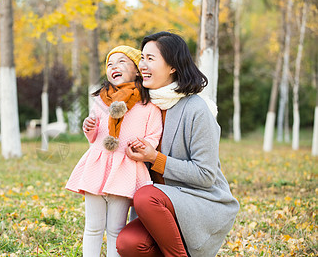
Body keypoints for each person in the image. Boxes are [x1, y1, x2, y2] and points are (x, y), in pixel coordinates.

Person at [116, 31, 240, 257]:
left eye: (150, 59)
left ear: (172, 66)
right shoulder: (142, 106)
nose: (142, 64)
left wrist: (154, 158)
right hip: (157, 209)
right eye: (142, 58)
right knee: (129, 243)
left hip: (198, 201)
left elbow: (205, 175)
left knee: (146, 195)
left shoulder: (197, 109)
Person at [66, 45, 163, 257]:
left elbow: (153, 136)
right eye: (109, 64)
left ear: (137, 69)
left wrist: (142, 145)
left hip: (125, 169)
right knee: (92, 227)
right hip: (97, 167)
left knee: (115, 229)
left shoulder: (148, 106)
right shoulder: (101, 100)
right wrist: (89, 130)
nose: (113, 67)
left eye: (121, 61)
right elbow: (95, 138)